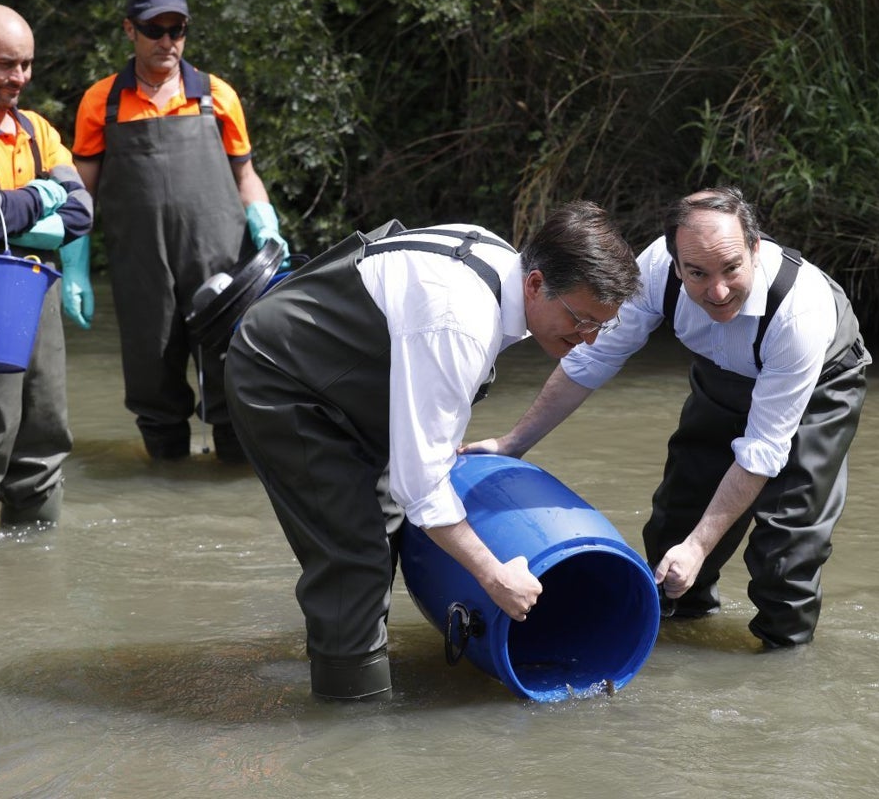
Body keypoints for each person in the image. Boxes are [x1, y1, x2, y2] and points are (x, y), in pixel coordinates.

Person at [224, 202, 640, 700]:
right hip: (284, 380)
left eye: (603, 325)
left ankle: (350, 656)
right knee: (354, 556)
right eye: (580, 319)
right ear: (534, 283)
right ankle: (352, 723)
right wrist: (492, 574)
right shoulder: (459, 320)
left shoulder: (501, 268)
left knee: (386, 528)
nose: (588, 338)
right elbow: (420, 486)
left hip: (344, 382)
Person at [465, 187, 871, 650]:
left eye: (732, 268)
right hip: (723, 373)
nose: (717, 291)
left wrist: (701, 547)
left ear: (755, 249)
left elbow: (762, 451)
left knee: (785, 551)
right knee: (673, 529)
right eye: (697, 273)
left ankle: (782, 667)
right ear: (675, 263)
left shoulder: (799, 315)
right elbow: (590, 361)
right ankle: (677, 636)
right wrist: (513, 443)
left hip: (818, 384)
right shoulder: (655, 270)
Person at [72, 0, 288, 463]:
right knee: (153, 384)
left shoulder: (216, 96)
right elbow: (80, 193)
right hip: (140, 268)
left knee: (233, 377)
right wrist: (75, 268)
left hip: (222, 266)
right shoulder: (102, 101)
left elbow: (246, 174)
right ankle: (167, 478)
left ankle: (231, 478)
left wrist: (266, 224)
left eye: (177, 29)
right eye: (154, 29)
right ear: (130, 30)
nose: (167, 40)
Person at [0, 5, 94, 546]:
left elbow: (83, 210)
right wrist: (45, 195)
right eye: (5, 64)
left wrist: (22, 213)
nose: (19, 78)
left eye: (27, 65)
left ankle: (34, 579)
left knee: (44, 436)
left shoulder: (39, 130)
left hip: (39, 299)